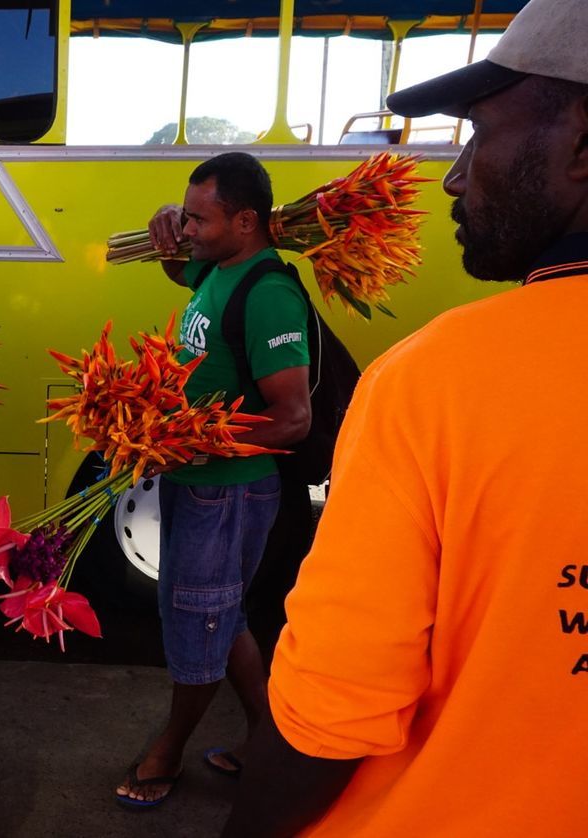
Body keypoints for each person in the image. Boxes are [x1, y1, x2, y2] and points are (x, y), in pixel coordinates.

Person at [223, 1, 588, 834]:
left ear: (583, 138)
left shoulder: (435, 384)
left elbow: (328, 721)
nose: (457, 176)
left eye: (475, 133)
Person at [114, 152, 313, 808]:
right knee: (221, 619)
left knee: (202, 623)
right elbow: (178, 265)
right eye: (187, 215)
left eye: (200, 218)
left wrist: (189, 437)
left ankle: (167, 749)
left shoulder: (269, 292)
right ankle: (272, 744)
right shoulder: (219, 267)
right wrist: (164, 226)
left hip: (229, 489)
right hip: (196, 480)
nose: (189, 228)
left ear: (247, 222)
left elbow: (291, 420)